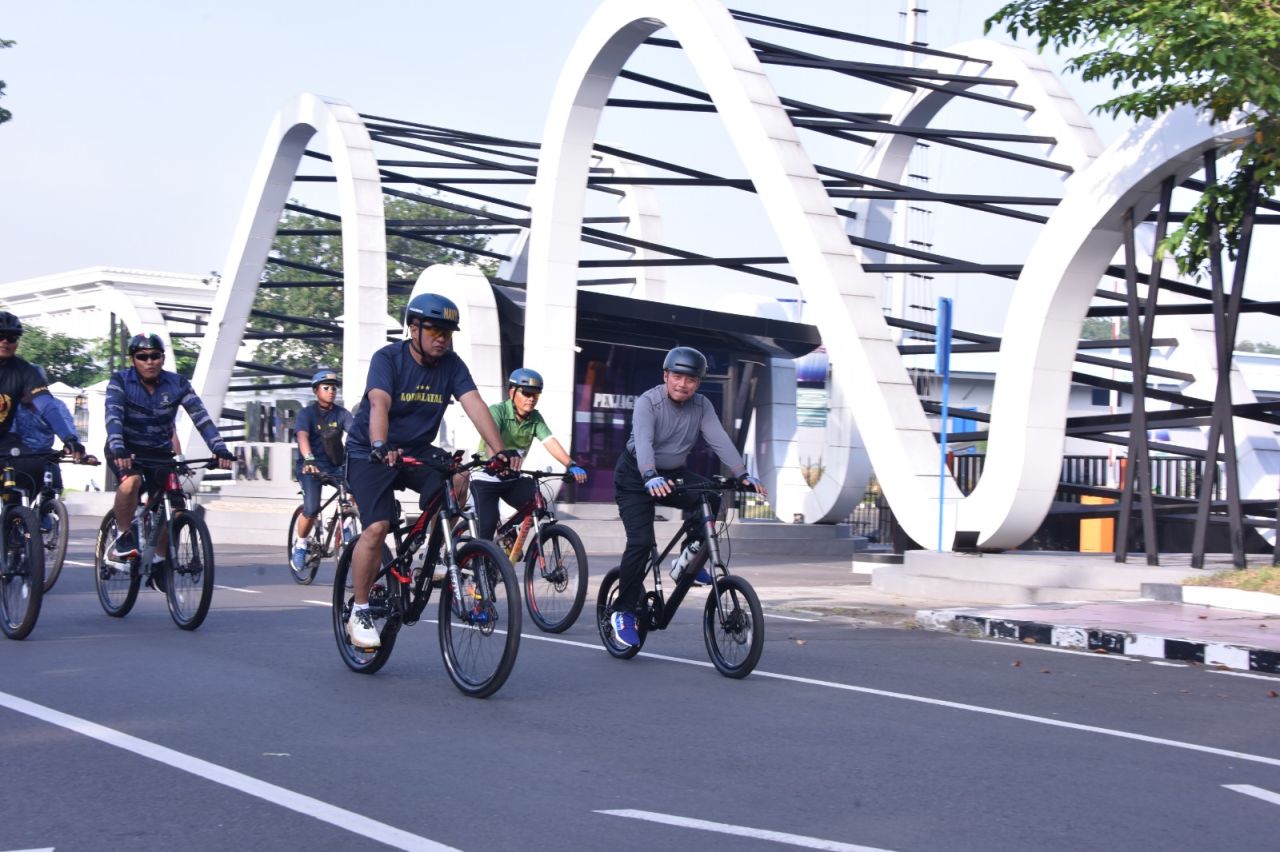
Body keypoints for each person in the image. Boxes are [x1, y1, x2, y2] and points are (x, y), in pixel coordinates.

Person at [343, 293, 510, 651]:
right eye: (434, 330)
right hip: (371, 451)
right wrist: (378, 444)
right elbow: (379, 402)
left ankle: (425, 558)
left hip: (416, 450)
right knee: (377, 527)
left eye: (448, 332)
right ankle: (359, 610)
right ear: (413, 328)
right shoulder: (388, 359)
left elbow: (475, 405)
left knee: (459, 476)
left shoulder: (451, 365)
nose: (441, 338)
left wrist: (500, 452)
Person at [609, 345, 766, 648]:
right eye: (677, 376)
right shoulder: (648, 402)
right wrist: (649, 475)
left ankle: (685, 561)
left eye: (691, 379)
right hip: (635, 476)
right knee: (641, 543)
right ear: (665, 375)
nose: (683, 384)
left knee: (711, 497)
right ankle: (623, 611)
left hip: (672, 474)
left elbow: (719, 439)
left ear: (698, 383)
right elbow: (643, 442)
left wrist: (742, 474)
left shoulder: (702, 406)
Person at [104, 333, 235, 578]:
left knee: (174, 504)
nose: (150, 361)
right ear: (133, 360)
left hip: (159, 451)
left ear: (163, 358)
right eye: (143, 357)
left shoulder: (177, 384)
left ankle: (159, 560)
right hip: (125, 448)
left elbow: (201, 418)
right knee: (131, 482)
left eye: (155, 356)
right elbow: (113, 417)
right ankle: (123, 535)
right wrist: (118, 446)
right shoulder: (119, 381)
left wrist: (219, 448)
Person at [470, 368, 587, 542]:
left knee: (538, 506)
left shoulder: (535, 418)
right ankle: (478, 558)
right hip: (486, 477)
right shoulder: (497, 411)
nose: (531, 399)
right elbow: (490, 441)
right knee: (487, 525)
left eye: (536, 395)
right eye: (526, 393)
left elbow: (550, 441)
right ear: (512, 391)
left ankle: (507, 534)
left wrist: (571, 464)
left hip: (511, 478)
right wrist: (499, 457)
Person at [0, 312, 86, 498]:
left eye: (11, 337)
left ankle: (16, 517)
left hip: (4, 439)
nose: (5, 342)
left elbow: (46, 406)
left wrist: (69, 439)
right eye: (0, 336)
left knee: (32, 466)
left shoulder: (25, 371)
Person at [290, 368, 354, 571]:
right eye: (326, 388)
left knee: (357, 489)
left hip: (336, 466)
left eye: (334, 388)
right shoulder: (306, 414)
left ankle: (346, 526)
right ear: (315, 391)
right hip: (310, 467)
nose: (331, 391)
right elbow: (302, 436)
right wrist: (308, 458)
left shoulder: (342, 414)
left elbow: (355, 434)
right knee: (311, 509)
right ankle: (300, 545)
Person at [13, 365, 78, 498]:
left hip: (45, 457)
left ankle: (48, 514)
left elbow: (67, 428)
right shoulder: (12, 405)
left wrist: (71, 444)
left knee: (53, 489)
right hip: (15, 457)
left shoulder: (56, 405)